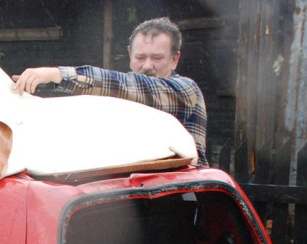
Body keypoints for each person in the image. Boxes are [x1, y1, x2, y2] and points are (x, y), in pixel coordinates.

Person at [13, 17, 208, 167]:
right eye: (140, 57)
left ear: (175, 59)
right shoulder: (119, 99)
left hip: (185, 196)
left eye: (157, 57)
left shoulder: (186, 90)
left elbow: (130, 87)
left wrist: (55, 74)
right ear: (129, 55)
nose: (148, 65)